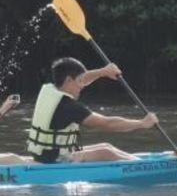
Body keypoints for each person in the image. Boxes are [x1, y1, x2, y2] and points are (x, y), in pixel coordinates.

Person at [26, 57, 158, 163]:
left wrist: (103, 72)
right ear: (68, 80)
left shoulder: (51, 89)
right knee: (106, 153)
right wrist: (142, 123)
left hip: (45, 154)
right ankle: (148, 167)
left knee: (106, 146)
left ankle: (140, 162)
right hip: (54, 160)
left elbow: (83, 78)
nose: (82, 86)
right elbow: (107, 123)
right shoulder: (68, 106)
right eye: (80, 82)